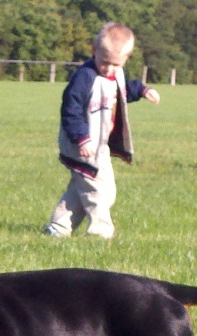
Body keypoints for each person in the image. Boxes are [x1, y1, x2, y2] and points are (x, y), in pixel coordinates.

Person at [45, 22, 160, 239]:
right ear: (94, 50)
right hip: (81, 146)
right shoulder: (85, 77)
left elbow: (123, 91)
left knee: (84, 189)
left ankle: (58, 228)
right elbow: (70, 110)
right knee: (98, 191)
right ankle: (100, 232)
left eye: (116, 64)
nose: (109, 69)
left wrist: (143, 90)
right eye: (104, 62)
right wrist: (81, 138)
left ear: (125, 59)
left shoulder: (116, 75)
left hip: (99, 146)